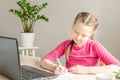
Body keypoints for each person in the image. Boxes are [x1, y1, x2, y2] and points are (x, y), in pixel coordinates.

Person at [40, 12, 120, 74]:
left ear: (91, 34)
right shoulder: (66, 44)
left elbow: (117, 67)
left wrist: (87, 70)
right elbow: (44, 61)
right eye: (76, 32)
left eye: (84, 35)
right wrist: (55, 67)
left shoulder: (95, 46)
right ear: (73, 27)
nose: (78, 38)